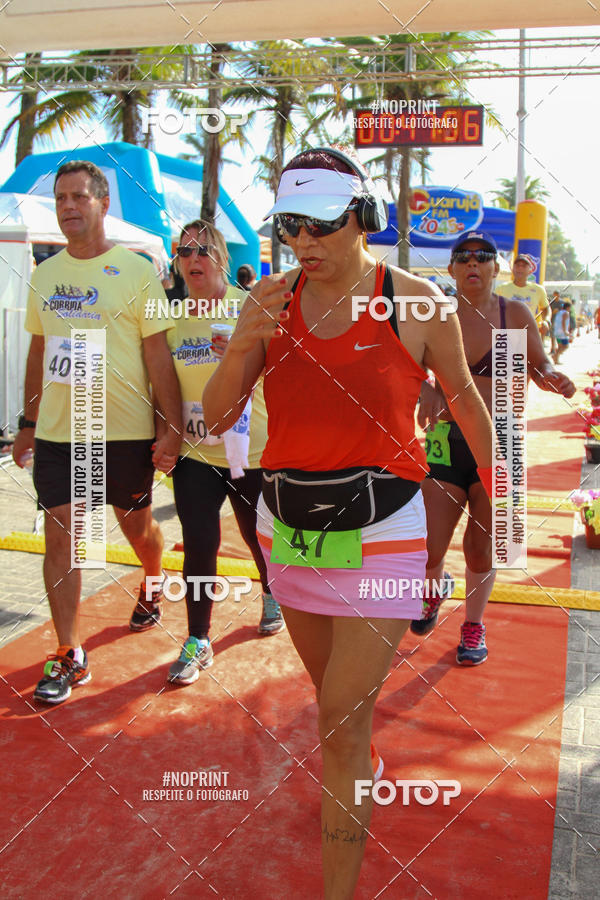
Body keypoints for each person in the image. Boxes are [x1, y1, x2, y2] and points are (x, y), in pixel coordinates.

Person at [203, 148, 495, 900]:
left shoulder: (416, 302)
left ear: (361, 219)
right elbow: (217, 417)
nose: (305, 242)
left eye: (323, 226)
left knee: (337, 719)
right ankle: (357, 773)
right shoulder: (267, 301)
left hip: (386, 528)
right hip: (289, 525)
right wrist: (244, 340)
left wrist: (499, 490)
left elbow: (463, 398)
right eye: (291, 226)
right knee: (338, 711)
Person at [12, 160, 182, 705]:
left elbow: (159, 355)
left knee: (135, 530)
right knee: (62, 537)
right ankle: (69, 651)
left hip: (124, 433)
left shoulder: (137, 273)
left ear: (103, 204)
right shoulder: (44, 273)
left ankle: (152, 577)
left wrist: (170, 427)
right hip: (63, 435)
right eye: (61, 197)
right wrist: (28, 423)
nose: (67, 207)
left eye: (78, 197)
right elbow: (39, 352)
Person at [413, 231, 576, 664]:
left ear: (495, 268)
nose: (473, 263)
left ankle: (473, 624)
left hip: (502, 441)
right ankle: (434, 591)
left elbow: (539, 364)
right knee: (430, 543)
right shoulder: (436, 314)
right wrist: (423, 390)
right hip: (446, 441)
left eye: (482, 256)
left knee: (483, 546)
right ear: (450, 269)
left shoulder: (515, 313)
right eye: (463, 257)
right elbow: (405, 365)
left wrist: (552, 376)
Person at [156, 220, 284, 686]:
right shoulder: (169, 316)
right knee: (199, 541)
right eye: (185, 252)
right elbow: (162, 385)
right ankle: (198, 637)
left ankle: (272, 593)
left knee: (256, 535)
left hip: (251, 451)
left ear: (222, 259)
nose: (194, 259)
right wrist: (165, 434)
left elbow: (285, 364)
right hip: (195, 451)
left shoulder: (247, 306)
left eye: (203, 250)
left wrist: (243, 351)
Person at [496, 252, 549, 337]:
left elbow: (545, 308)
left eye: (524, 266)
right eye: (517, 265)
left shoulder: (538, 290)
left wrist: (546, 321)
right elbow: (491, 308)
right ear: (513, 268)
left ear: (530, 270)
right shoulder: (501, 288)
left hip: (528, 333)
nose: (520, 268)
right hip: (505, 334)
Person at [549, 290, 562, 355]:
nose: (555, 296)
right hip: (552, 320)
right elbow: (548, 310)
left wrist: (558, 311)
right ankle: (552, 348)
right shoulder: (551, 302)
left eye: (556, 295)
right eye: (554, 295)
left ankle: (559, 348)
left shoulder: (562, 303)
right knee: (552, 336)